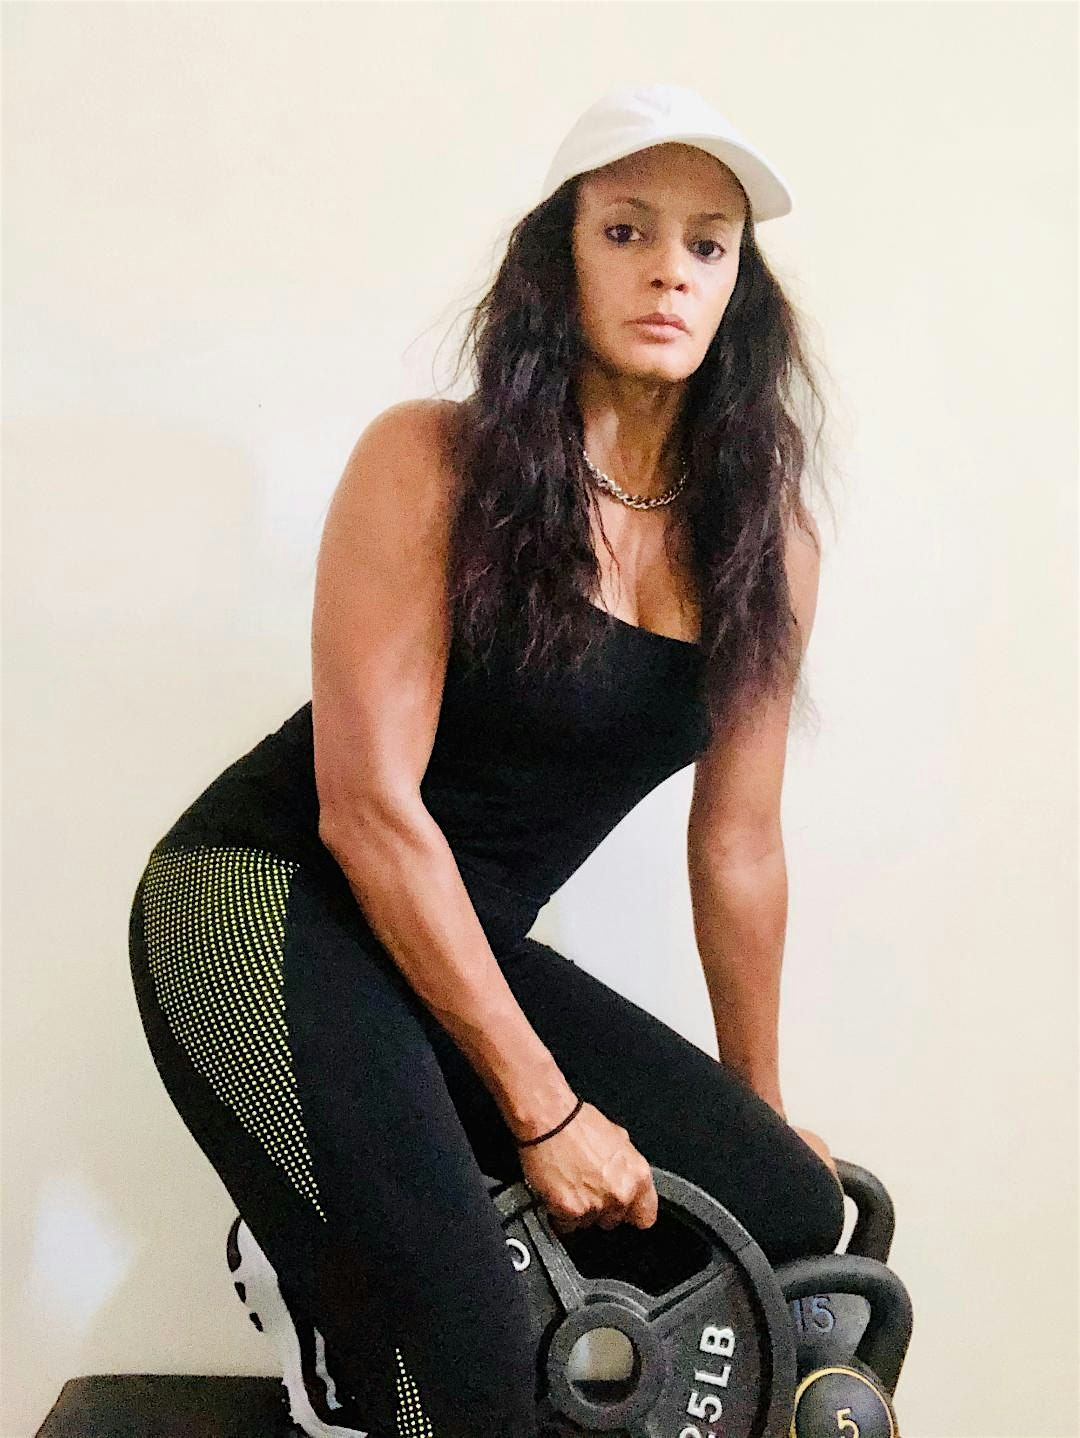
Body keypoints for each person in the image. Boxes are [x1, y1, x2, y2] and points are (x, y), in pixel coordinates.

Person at [127, 82, 847, 1438]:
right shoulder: (433, 462)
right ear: (556, 255)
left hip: (457, 943)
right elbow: (368, 811)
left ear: (739, 286)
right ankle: (333, 1291)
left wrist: (756, 1101)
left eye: (707, 245)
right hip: (267, 902)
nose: (669, 272)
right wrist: (543, 1106)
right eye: (626, 230)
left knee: (789, 1217)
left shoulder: (766, 542)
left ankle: (386, 1234)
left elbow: (740, 842)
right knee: (461, 1389)